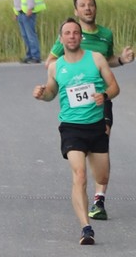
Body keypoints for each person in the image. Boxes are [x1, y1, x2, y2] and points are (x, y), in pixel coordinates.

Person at [48, 0, 134, 221]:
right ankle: (87, 190)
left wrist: (121, 60)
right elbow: (52, 61)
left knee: (102, 138)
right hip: (74, 106)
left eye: (91, 5)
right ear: (76, 11)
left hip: (100, 98)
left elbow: (107, 61)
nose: (87, 8)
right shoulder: (71, 35)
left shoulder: (106, 35)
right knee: (80, 165)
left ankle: (99, 199)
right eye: (83, 5)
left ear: (95, 8)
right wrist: (69, 75)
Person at [34, 17, 119, 245]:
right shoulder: (56, 66)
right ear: (60, 39)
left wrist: (105, 95)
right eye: (67, 33)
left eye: (75, 33)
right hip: (71, 128)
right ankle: (86, 228)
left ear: (81, 37)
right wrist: (42, 94)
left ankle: (97, 199)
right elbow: (51, 93)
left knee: (101, 176)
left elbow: (114, 86)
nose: (71, 36)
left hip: (96, 126)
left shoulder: (96, 58)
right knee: (79, 175)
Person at [10, 0, 41, 64]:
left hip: (27, 13)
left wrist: (30, 9)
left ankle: (35, 56)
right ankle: (29, 56)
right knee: (25, 35)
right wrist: (16, 12)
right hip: (21, 13)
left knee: (30, 35)